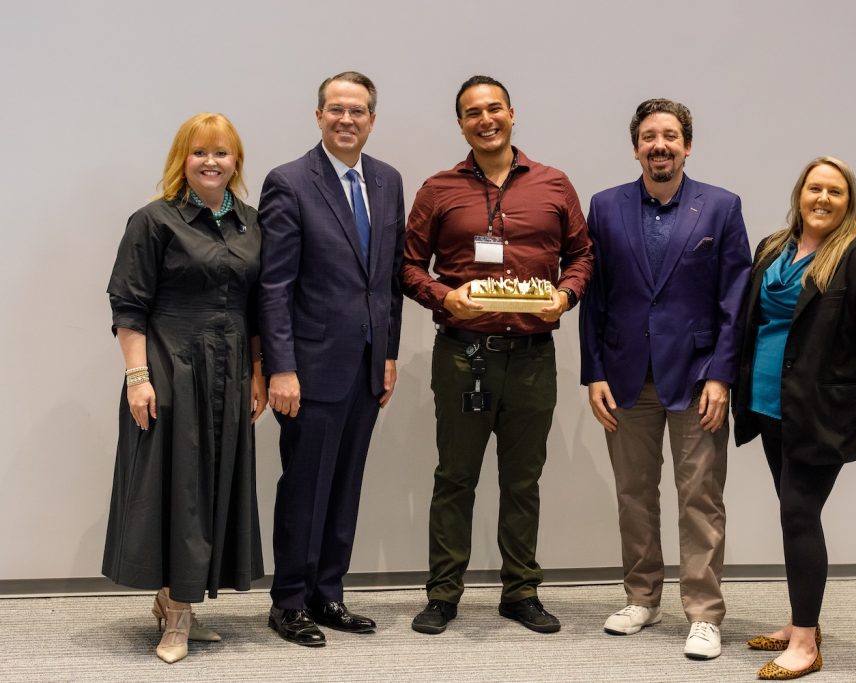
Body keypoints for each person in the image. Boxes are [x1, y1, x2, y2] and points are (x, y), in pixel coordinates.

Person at [401, 75, 593, 635]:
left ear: (513, 113)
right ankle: (443, 594)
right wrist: (444, 297)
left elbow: (583, 255)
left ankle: (521, 591)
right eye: (471, 113)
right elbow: (408, 266)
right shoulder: (438, 189)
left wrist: (567, 295)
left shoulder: (554, 184)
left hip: (533, 356)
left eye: (494, 109)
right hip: (464, 355)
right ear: (460, 124)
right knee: (455, 477)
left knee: (523, 479)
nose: (485, 119)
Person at [579, 99, 751, 659]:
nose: (660, 144)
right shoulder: (604, 208)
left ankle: (703, 613)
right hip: (625, 376)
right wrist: (593, 373)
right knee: (634, 494)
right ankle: (642, 598)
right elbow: (593, 300)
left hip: (698, 378)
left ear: (687, 146)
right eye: (650, 136)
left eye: (671, 136)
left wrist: (722, 374)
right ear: (636, 147)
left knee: (700, 495)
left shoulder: (721, 207)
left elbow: (734, 300)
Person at [733, 157, 856, 680]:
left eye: (835, 191)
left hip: (818, 413)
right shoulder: (773, 248)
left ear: (848, 202)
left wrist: (850, 395)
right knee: (792, 513)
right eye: (815, 188)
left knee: (799, 515)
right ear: (800, 194)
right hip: (767, 405)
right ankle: (799, 622)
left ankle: (805, 644)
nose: (823, 199)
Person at [102, 113, 266, 664]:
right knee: (178, 489)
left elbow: (258, 307)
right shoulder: (154, 220)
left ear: (235, 160)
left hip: (232, 366)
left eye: (222, 152)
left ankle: (182, 600)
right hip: (171, 366)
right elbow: (129, 304)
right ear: (183, 159)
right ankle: (175, 614)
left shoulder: (249, 222)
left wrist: (258, 376)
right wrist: (138, 376)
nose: (212, 162)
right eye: (200, 152)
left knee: (215, 486)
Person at [258, 71, 405, 647]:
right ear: (318, 116)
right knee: (305, 486)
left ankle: (327, 593)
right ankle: (289, 601)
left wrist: (388, 354)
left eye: (359, 111)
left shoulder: (388, 181)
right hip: (309, 369)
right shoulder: (290, 182)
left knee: (345, 485)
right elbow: (273, 287)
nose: (348, 120)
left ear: (372, 119)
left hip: (367, 367)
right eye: (337, 110)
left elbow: (388, 281)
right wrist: (281, 367)